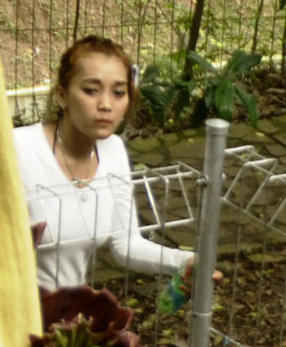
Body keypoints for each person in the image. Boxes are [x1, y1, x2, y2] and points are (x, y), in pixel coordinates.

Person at [15, 36, 208, 292]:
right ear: (62, 96)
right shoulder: (18, 149)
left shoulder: (113, 149)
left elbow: (125, 243)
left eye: (118, 93)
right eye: (91, 90)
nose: (106, 105)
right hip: (7, 313)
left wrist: (185, 260)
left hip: (67, 316)